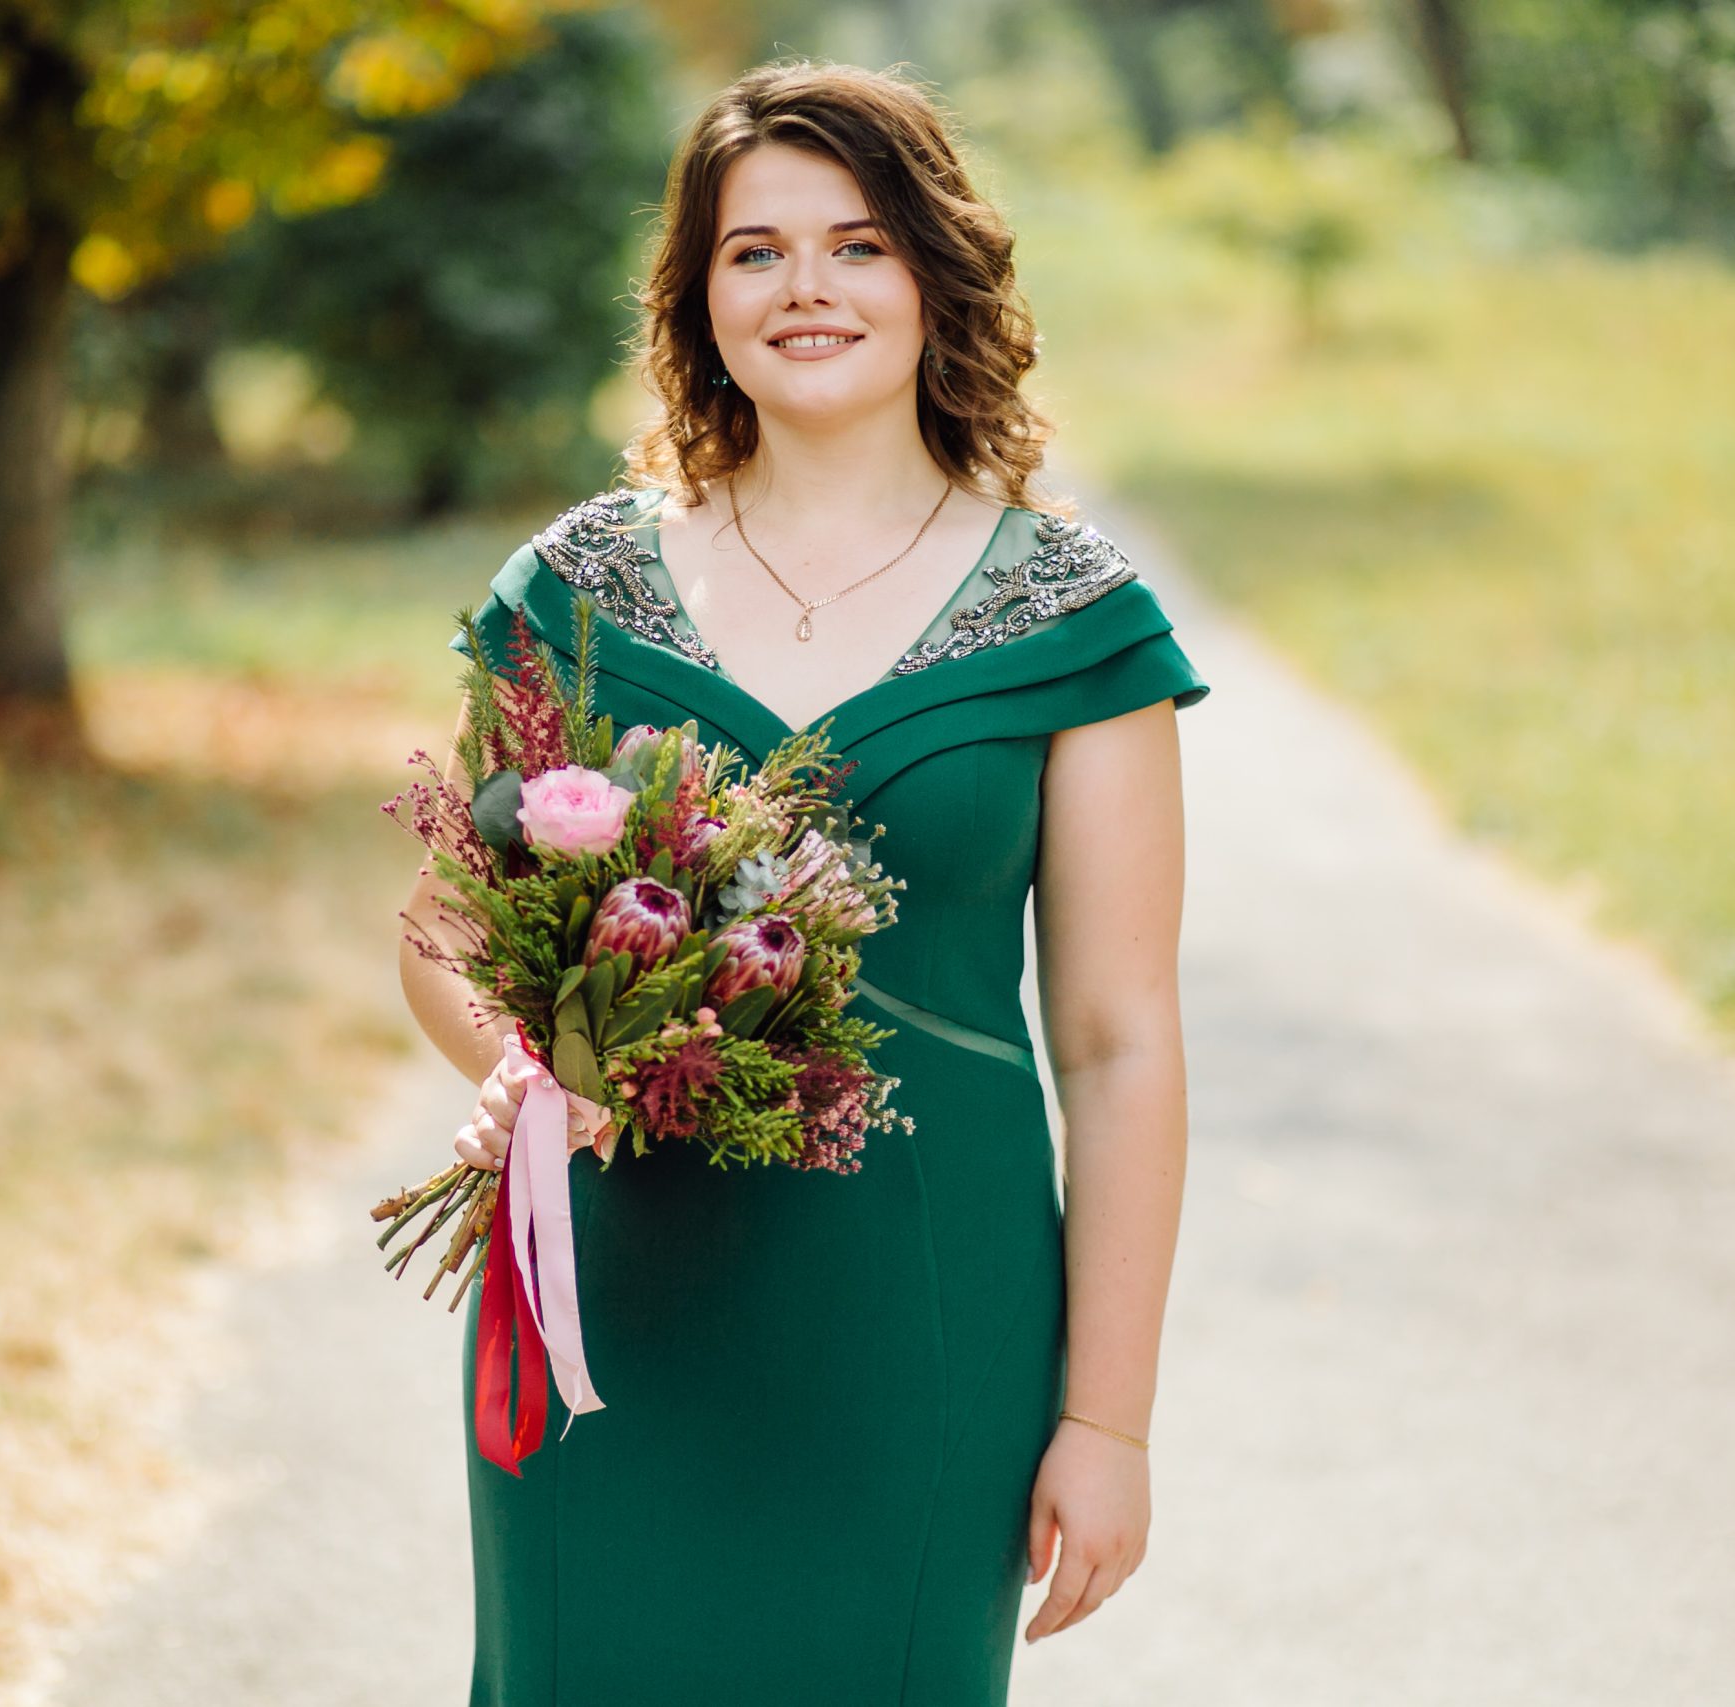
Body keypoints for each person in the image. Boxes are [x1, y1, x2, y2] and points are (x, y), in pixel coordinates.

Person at [394, 56, 1208, 1706]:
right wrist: (532, 1072)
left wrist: (1106, 1420)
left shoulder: (1077, 623)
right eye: (754, 250)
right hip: (608, 1311)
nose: (806, 288)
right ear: (698, 298)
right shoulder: (573, 591)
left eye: (858, 244)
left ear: (936, 275)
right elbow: (441, 934)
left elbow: (1122, 1046)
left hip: (922, 1323)